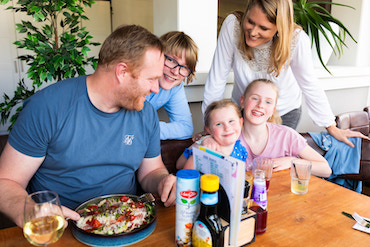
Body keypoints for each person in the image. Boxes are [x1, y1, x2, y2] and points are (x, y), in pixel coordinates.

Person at [0, 25, 176, 228]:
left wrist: (163, 181)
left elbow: (150, 171)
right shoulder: (47, 107)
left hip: (128, 224)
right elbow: (7, 181)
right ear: (122, 72)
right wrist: (30, 211)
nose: (157, 88)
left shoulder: (145, 113)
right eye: (152, 79)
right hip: (62, 229)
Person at [201, 0, 366, 148]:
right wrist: (209, 125)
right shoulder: (233, 26)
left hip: (283, 113)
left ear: (279, 28)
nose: (252, 32)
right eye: (250, 21)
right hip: (243, 108)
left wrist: (332, 127)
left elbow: (309, 85)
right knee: (239, 156)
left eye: (263, 28)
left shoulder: (296, 40)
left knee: (273, 163)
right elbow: (217, 79)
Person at [205, 79, 332, 178]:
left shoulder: (286, 136)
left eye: (268, 102)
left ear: (273, 110)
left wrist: (292, 161)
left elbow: (325, 169)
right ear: (242, 101)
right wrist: (205, 141)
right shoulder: (229, 134)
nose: (260, 105)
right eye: (255, 98)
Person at [147, 31, 198, 140]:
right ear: (157, 55)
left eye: (184, 68)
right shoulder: (137, 77)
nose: (175, 72)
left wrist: (147, 128)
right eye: (171, 60)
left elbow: (186, 128)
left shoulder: (175, 87)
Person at [176, 99, 247, 170]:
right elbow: (186, 172)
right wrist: (200, 149)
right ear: (209, 130)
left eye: (231, 121)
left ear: (240, 123)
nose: (227, 128)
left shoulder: (240, 150)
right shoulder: (207, 150)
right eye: (219, 124)